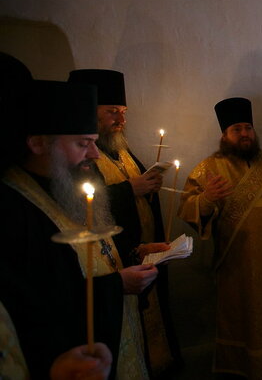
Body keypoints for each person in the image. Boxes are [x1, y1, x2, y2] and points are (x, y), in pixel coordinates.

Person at [0, 79, 159, 378]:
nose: (95, 155)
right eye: (82, 144)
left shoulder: (63, 184)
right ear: (37, 143)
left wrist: (135, 255)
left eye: (93, 142)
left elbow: (91, 255)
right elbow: (33, 306)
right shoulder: (12, 210)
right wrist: (115, 287)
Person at [68, 69, 181, 376]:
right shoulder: (79, 159)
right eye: (112, 112)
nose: (121, 119)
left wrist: (149, 186)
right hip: (111, 270)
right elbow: (85, 202)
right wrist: (132, 188)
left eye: (124, 112)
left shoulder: (119, 149)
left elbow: (136, 188)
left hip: (136, 254)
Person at [178, 97, 262, 379]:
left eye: (248, 128)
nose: (244, 134)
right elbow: (187, 208)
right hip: (236, 265)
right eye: (237, 129)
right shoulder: (208, 168)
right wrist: (206, 200)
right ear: (225, 135)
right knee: (239, 320)